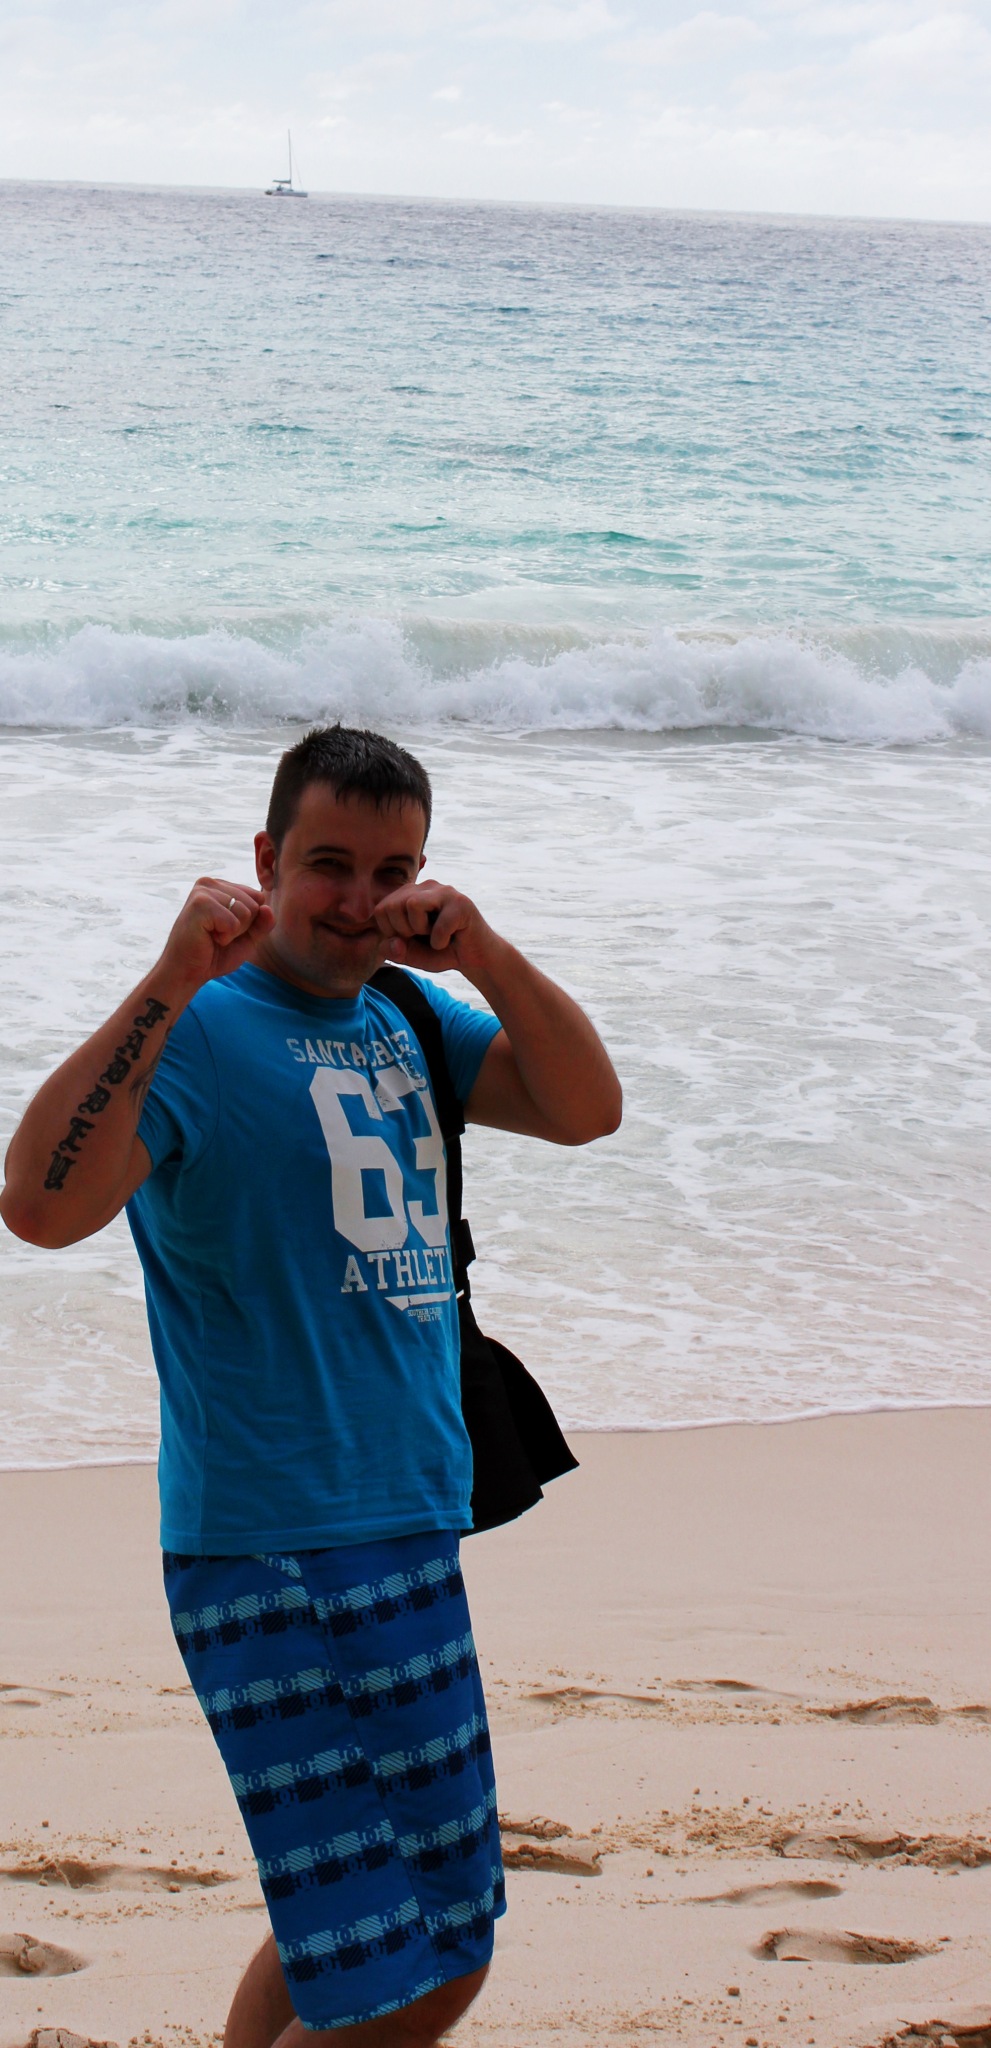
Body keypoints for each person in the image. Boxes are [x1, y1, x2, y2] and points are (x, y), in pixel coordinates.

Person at [1, 725, 622, 2048]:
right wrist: (169, 977)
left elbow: (586, 1108)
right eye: (329, 865)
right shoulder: (201, 1033)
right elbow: (41, 1204)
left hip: (405, 1518)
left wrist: (486, 953)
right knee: (430, 1955)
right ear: (268, 860)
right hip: (275, 1548)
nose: (356, 901)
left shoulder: (409, 1018)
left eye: (391, 871)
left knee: (347, 1932)